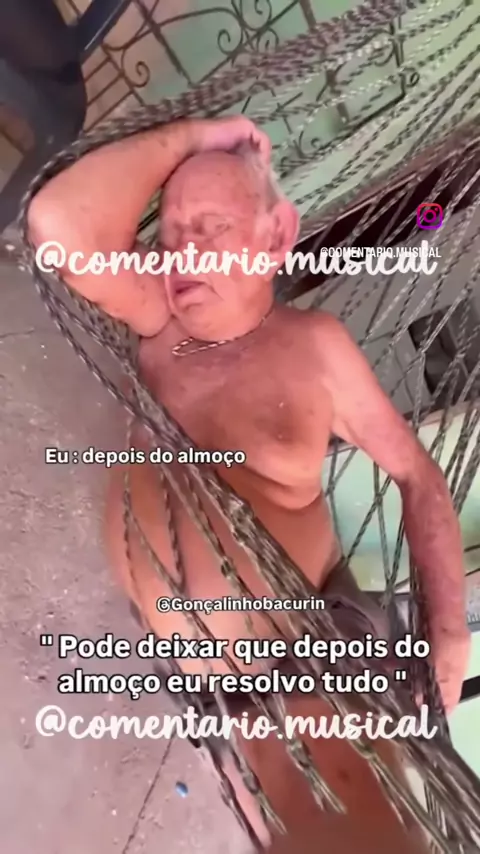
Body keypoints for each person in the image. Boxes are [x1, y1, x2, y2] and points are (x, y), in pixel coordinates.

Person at [28, 115, 470, 853]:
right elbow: (57, 221)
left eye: (211, 227)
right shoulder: (161, 319)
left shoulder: (312, 348)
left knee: (339, 826)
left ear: (276, 235)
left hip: (303, 652)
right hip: (216, 675)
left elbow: (416, 473)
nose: (185, 251)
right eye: (172, 234)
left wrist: (448, 628)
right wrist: (195, 137)